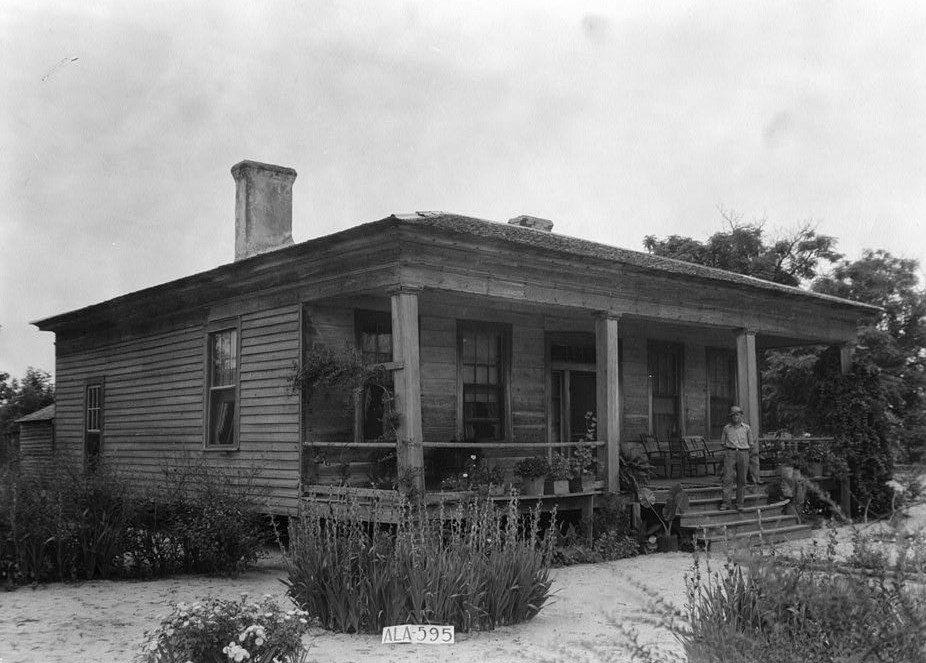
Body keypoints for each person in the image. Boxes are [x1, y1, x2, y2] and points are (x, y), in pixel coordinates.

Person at [720, 405, 755, 511]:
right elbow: (722, 443)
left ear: (741, 416)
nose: (735, 417)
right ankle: (726, 503)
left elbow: (751, 443)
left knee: (742, 479)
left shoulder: (747, 428)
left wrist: (743, 449)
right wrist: (730, 449)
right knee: (727, 478)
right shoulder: (727, 428)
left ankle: (740, 503)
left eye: (737, 414)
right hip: (730, 453)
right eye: (733, 415)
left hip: (743, 453)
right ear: (730, 417)